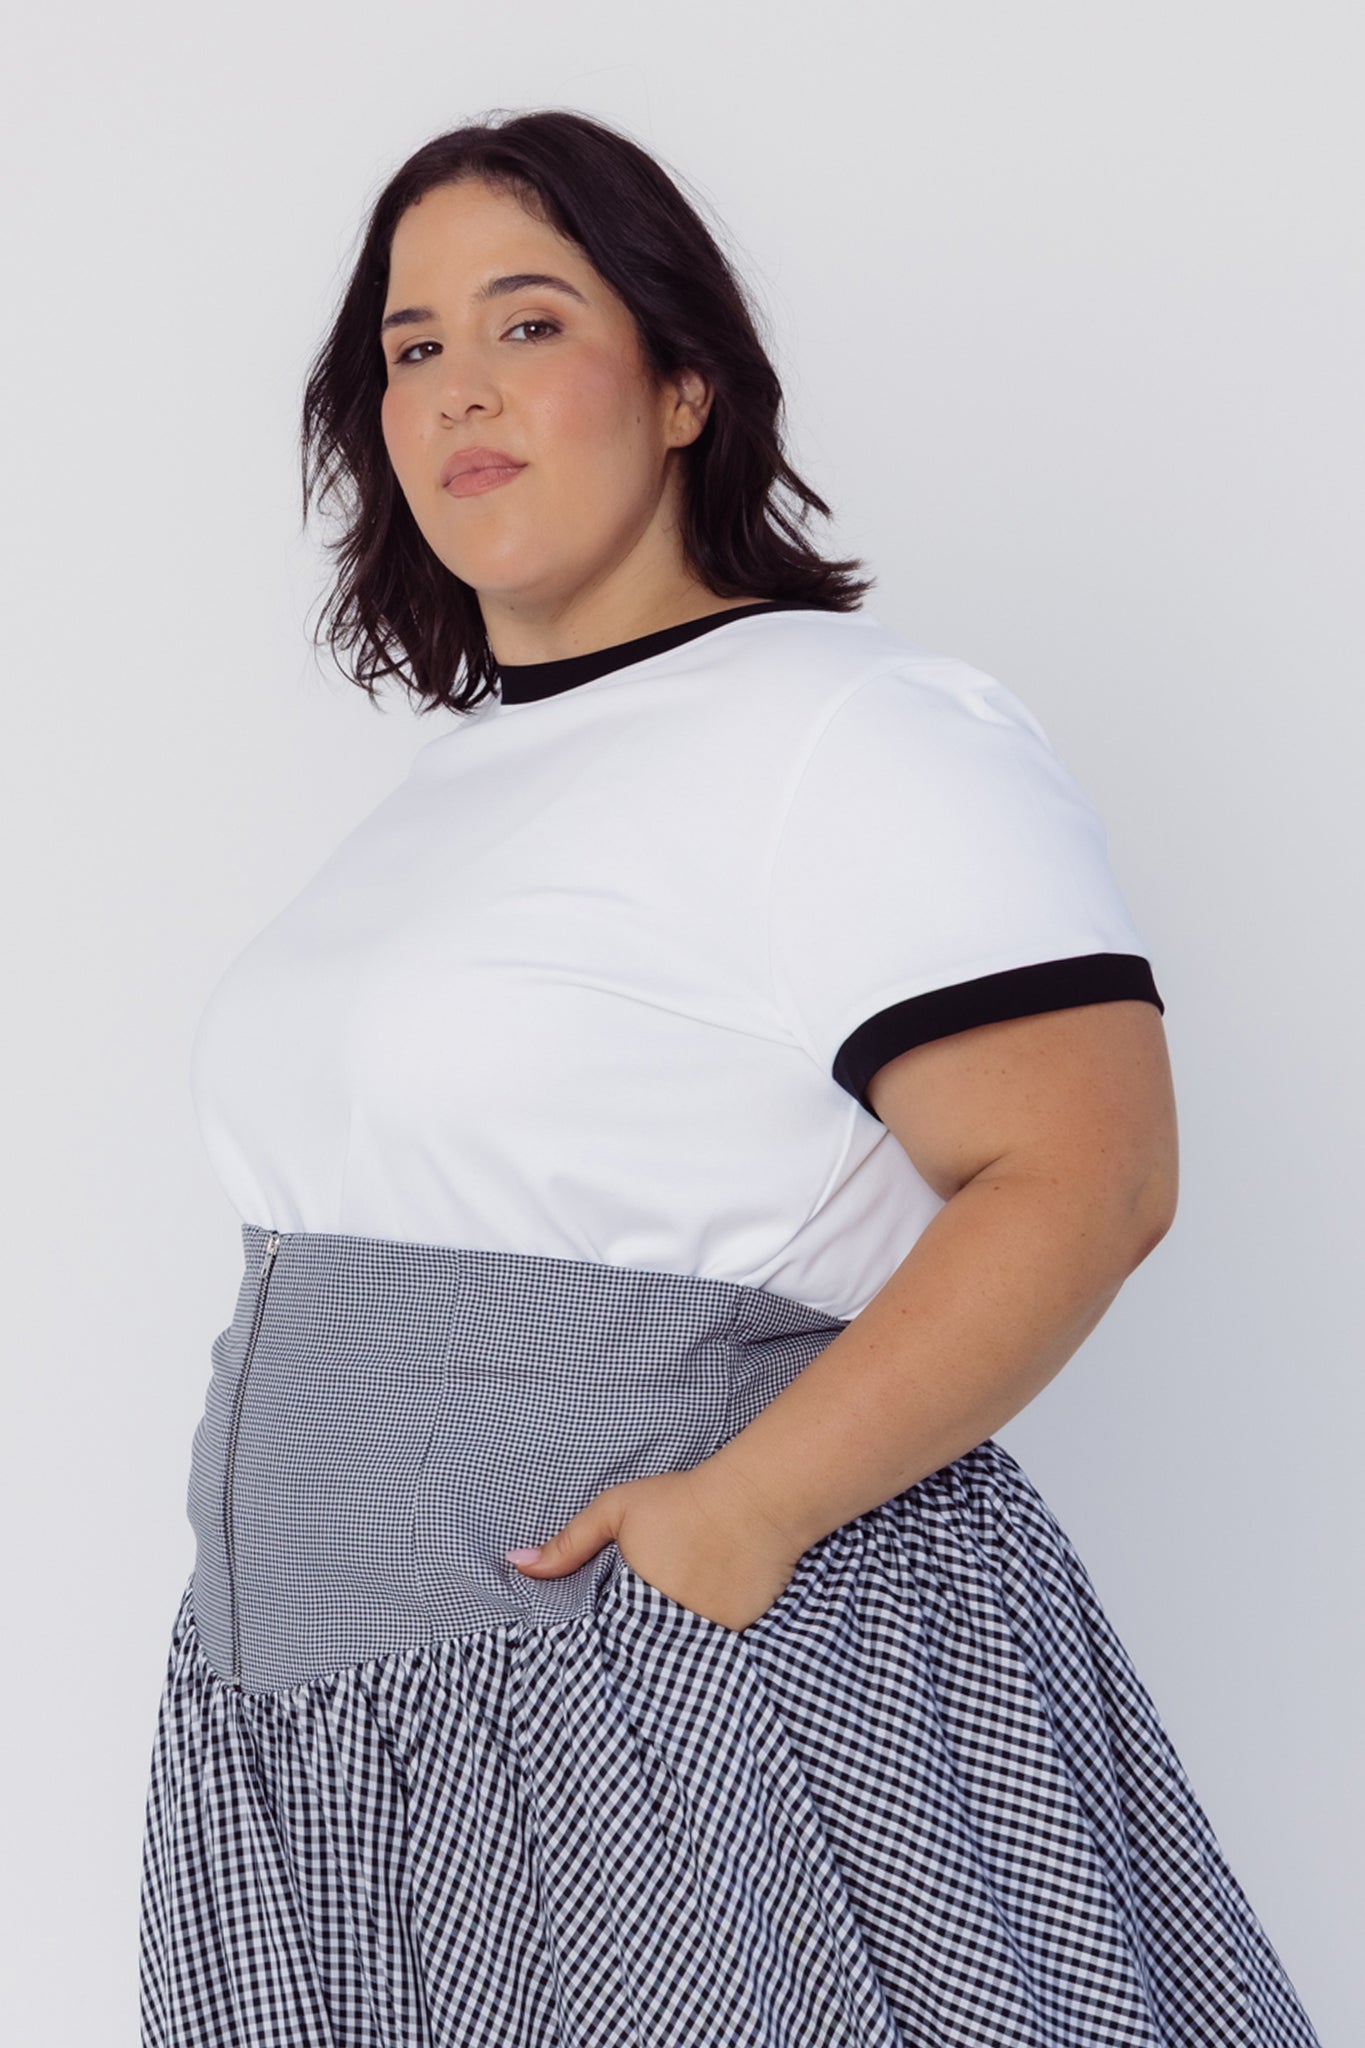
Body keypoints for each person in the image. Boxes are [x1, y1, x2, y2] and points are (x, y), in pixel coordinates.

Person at [138, 109, 1323, 2048]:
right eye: (410, 346)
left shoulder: (843, 732)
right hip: (335, 1741)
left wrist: (748, 1507)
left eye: (527, 323)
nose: (457, 391)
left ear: (681, 380)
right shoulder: (448, 791)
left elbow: (1086, 1169)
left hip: (665, 1703)